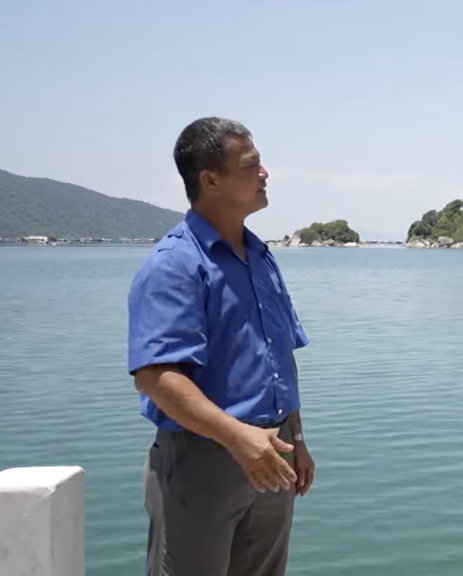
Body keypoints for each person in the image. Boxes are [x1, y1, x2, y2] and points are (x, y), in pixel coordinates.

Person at [127, 117, 315, 576]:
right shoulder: (175, 264)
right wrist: (238, 439)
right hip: (203, 460)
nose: (265, 173)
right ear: (210, 180)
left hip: (274, 454)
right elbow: (156, 377)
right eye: (251, 166)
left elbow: (279, 357)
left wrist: (296, 438)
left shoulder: (261, 257)